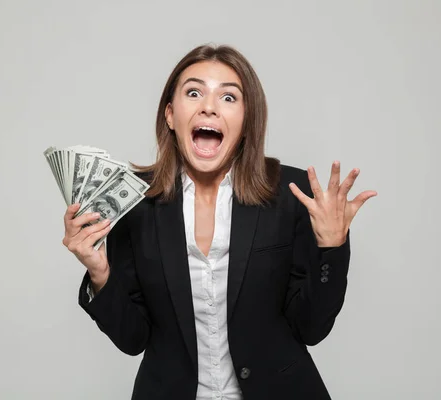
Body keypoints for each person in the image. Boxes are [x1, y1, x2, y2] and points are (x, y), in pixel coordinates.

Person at [61, 44, 377, 400]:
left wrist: (331, 249)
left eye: (228, 98)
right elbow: (133, 339)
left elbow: (311, 328)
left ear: (245, 122)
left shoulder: (293, 194)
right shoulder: (135, 203)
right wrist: (100, 274)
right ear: (170, 115)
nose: (208, 106)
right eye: (193, 92)